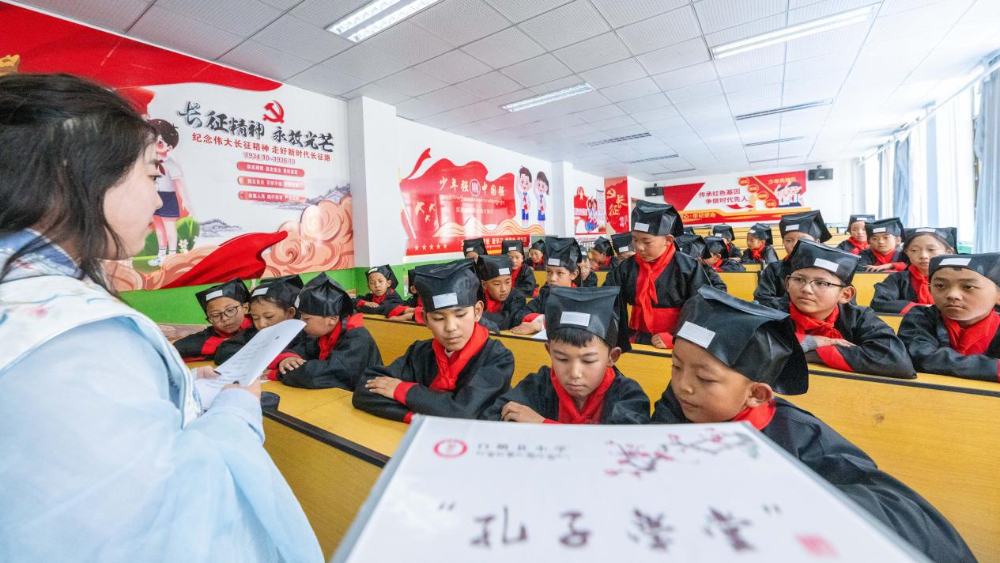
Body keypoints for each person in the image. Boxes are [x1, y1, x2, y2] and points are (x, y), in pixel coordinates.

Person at [0, 72, 320, 562]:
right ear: (76, 172)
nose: (156, 198)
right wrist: (235, 411)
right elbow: (162, 524)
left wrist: (185, 389)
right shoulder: (67, 340)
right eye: (151, 175)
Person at [650, 287, 977, 563]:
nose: (683, 386)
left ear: (757, 394)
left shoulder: (803, 438)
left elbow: (900, 514)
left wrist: (778, 502)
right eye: (676, 367)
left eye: (705, 378)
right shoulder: (679, 406)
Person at [353, 259, 514, 422]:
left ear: (477, 312)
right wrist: (421, 416)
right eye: (438, 318)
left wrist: (403, 390)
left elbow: (462, 412)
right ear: (425, 319)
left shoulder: (498, 358)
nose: (450, 327)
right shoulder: (420, 352)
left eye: (460, 315)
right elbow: (364, 390)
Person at [482, 286, 649, 424]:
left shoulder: (628, 396)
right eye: (562, 359)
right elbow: (497, 416)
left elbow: (620, 444)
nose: (574, 373)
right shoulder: (539, 385)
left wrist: (543, 425)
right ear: (549, 351)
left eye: (588, 360)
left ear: (612, 357)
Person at [783, 240, 914, 377]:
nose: (806, 289)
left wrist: (808, 352)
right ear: (787, 284)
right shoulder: (773, 310)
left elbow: (897, 361)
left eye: (821, 283)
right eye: (799, 280)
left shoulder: (859, 318)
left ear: (845, 294)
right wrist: (813, 342)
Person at [603, 201, 711, 350]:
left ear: (668, 240)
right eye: (635, 239)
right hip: (635, 339)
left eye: (646, 241)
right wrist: (619, 336)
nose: (639, 247)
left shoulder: (688, 267)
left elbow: (703, 309)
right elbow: (607, 301)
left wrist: (676, 338)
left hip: (674, 342)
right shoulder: (626, 267)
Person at [899, 253, 1000, 381]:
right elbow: (922, 357)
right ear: (930, 290)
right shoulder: (920, 317)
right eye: (940, 286)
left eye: (968, 287)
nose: (952, 295)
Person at [271, 274, 383, 390]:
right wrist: (287, 359)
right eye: (301, 317)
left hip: (359, 396)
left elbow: (321, 375)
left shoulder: (357, 340)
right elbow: (302, 350)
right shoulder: (323, 334)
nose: (301, 323)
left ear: (332, 319)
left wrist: (280, 374)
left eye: (306, 319)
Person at [213, 275, 308, 364]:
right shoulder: (254, 332)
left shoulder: (305, 334)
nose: (261, 324)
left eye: (269, 316)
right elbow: (223, 351)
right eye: (255, 318)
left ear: (290, 313)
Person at [754, 210, 831, 310]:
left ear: (817, 242)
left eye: (803, 240)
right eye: (788, 240)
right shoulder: (774, 269)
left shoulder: (829, 269)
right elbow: (762, 300)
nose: (795, 245)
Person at [871, 227, 957, 314]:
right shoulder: (897, 279)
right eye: (914, 250)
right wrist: (925, 309)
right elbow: (879, 303)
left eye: (931, 250)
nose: (923, 255)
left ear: (949, 252)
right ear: (906, 252)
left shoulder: (959, 280)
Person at [510, 237, 581, 336]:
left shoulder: (580, 300)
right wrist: (542, 319)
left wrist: (540, 325)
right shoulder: (545, 295)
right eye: (549, 272)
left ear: (573, 274)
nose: (552, 278)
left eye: (559, 273)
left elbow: (574, 326)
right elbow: (519, 315)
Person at [173, 278, 253, 362]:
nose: (225, 318)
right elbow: (176, 348)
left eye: (230, 310)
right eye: (215, 315)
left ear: (245, 308)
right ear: (209, 319)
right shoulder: (209, 335)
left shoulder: (256, 327)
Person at [147, 118, 190, 267]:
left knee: (169, 228)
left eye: (159, 142)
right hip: (154, 197)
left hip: (168, 198)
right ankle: (161, 255)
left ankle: (172, 256)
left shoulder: (171, 164)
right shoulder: (149, 162)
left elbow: (178, 183)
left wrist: (184, 200)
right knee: (159, 227)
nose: (155, 145)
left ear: (169, 147)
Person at [477, 254, 526, 331]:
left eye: (507, 282)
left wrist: (476, 314)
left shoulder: (517, 298)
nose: (504, 289)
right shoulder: (476, 296)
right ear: (484, 285)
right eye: (497, 284)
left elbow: (510, 320)